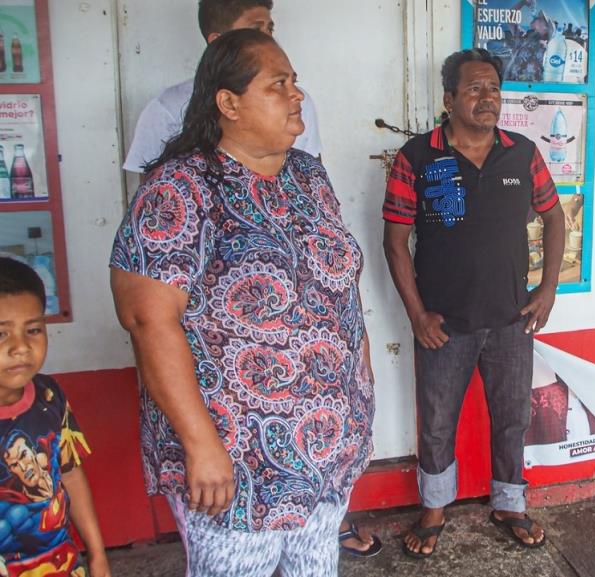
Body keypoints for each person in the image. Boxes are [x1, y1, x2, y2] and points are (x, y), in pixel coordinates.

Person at [110, 29, 374, 576]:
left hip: (326, 447)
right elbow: (147, 319)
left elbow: (337, 285)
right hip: (235, 458)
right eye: (278, 85)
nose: (297, 95)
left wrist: (362, 390)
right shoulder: (180, 189)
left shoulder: (308, 175)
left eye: (295, 82)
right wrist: (199, 443)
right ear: (228, 103)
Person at [382, 48, 565, 558]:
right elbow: (395, 241)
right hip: (445, 324)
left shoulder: (522, 151)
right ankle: (435, 507)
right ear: (448, 99)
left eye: (493, 89)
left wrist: (547, 289)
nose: (487, 99)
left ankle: (509, 503)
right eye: (474, 90)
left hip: (511, 319)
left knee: (512, 417)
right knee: (438, 419)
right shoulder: (416, 156)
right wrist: (417, 314)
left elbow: (554, 218)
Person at [0, 257, 111, 577]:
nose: (20, 347)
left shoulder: (50, 396)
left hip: (58, 563)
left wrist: (98, 555)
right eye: (1, 334)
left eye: (33, 329)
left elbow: (71, 475)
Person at [122, 0, 322, 174]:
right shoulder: (166, 108)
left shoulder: (296, 104)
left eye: (270, 28)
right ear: (228, 103)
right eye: (254, 30)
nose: (267, 39)